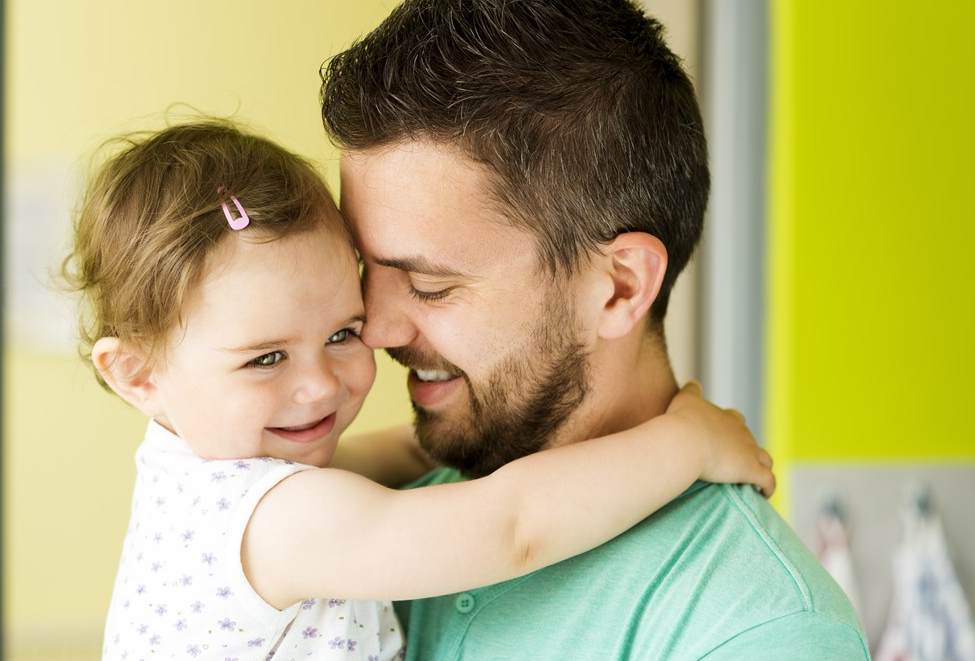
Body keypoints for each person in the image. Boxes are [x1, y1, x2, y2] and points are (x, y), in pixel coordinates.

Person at [63, 119, 775, 660]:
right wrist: (686, 441)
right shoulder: (275, 524)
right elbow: (514, 528)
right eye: (266, 358)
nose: (319, 385)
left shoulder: (207, 476)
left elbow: (394, 454)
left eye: (341, 332)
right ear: (137, 375)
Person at [320, 0, 872, 659]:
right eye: (365, 267)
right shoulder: (370, 524)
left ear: (620, 286)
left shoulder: (758, 631)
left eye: (429, 282)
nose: (374, 328)